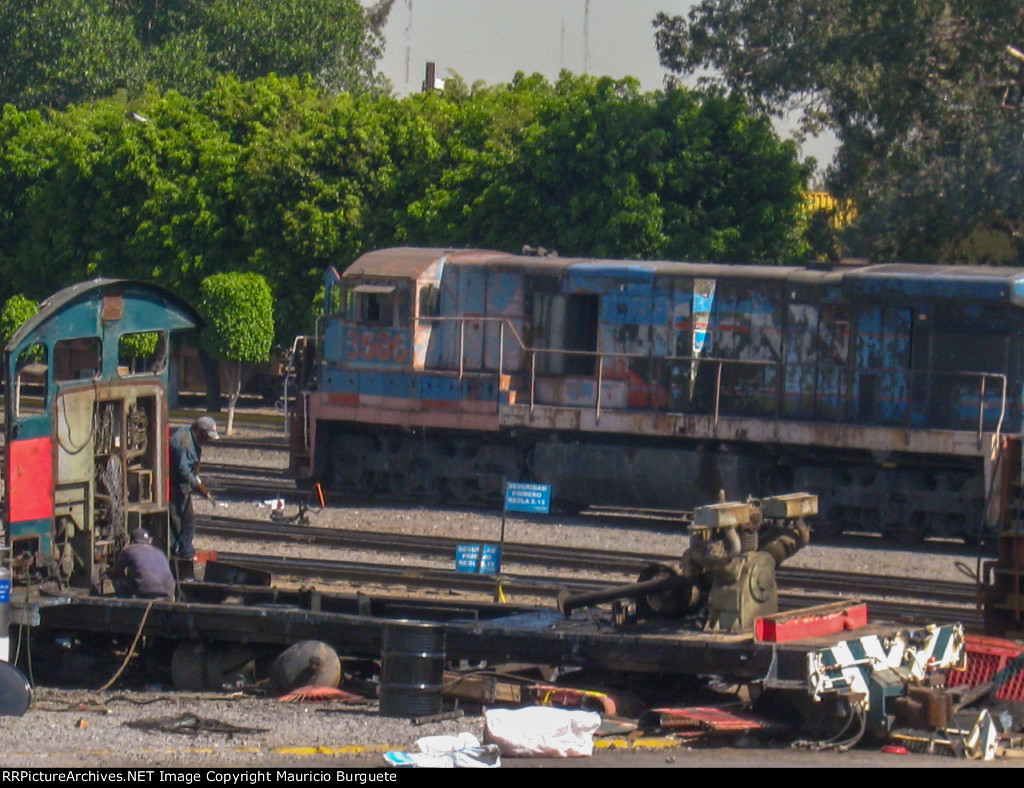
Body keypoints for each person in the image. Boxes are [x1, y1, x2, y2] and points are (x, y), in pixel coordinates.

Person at [169, 415, 219, 560]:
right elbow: (183, 470)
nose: (207, 440)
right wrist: (198, 485)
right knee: (186, 521)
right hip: (176, 485)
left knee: (177, 519)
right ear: (199, 431)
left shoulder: (188, 434)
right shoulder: (185, 444)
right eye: (206, 436)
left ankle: (176, 549)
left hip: (178, 483)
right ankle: (184, 552)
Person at [110, 529, 175, 599]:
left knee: (118, 579)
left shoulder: (129, 549)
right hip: (168, 592)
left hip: (147, 592)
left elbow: (116, 571)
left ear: (132, 541)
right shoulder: (159, 551)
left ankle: (124, 605)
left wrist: (109, 573)